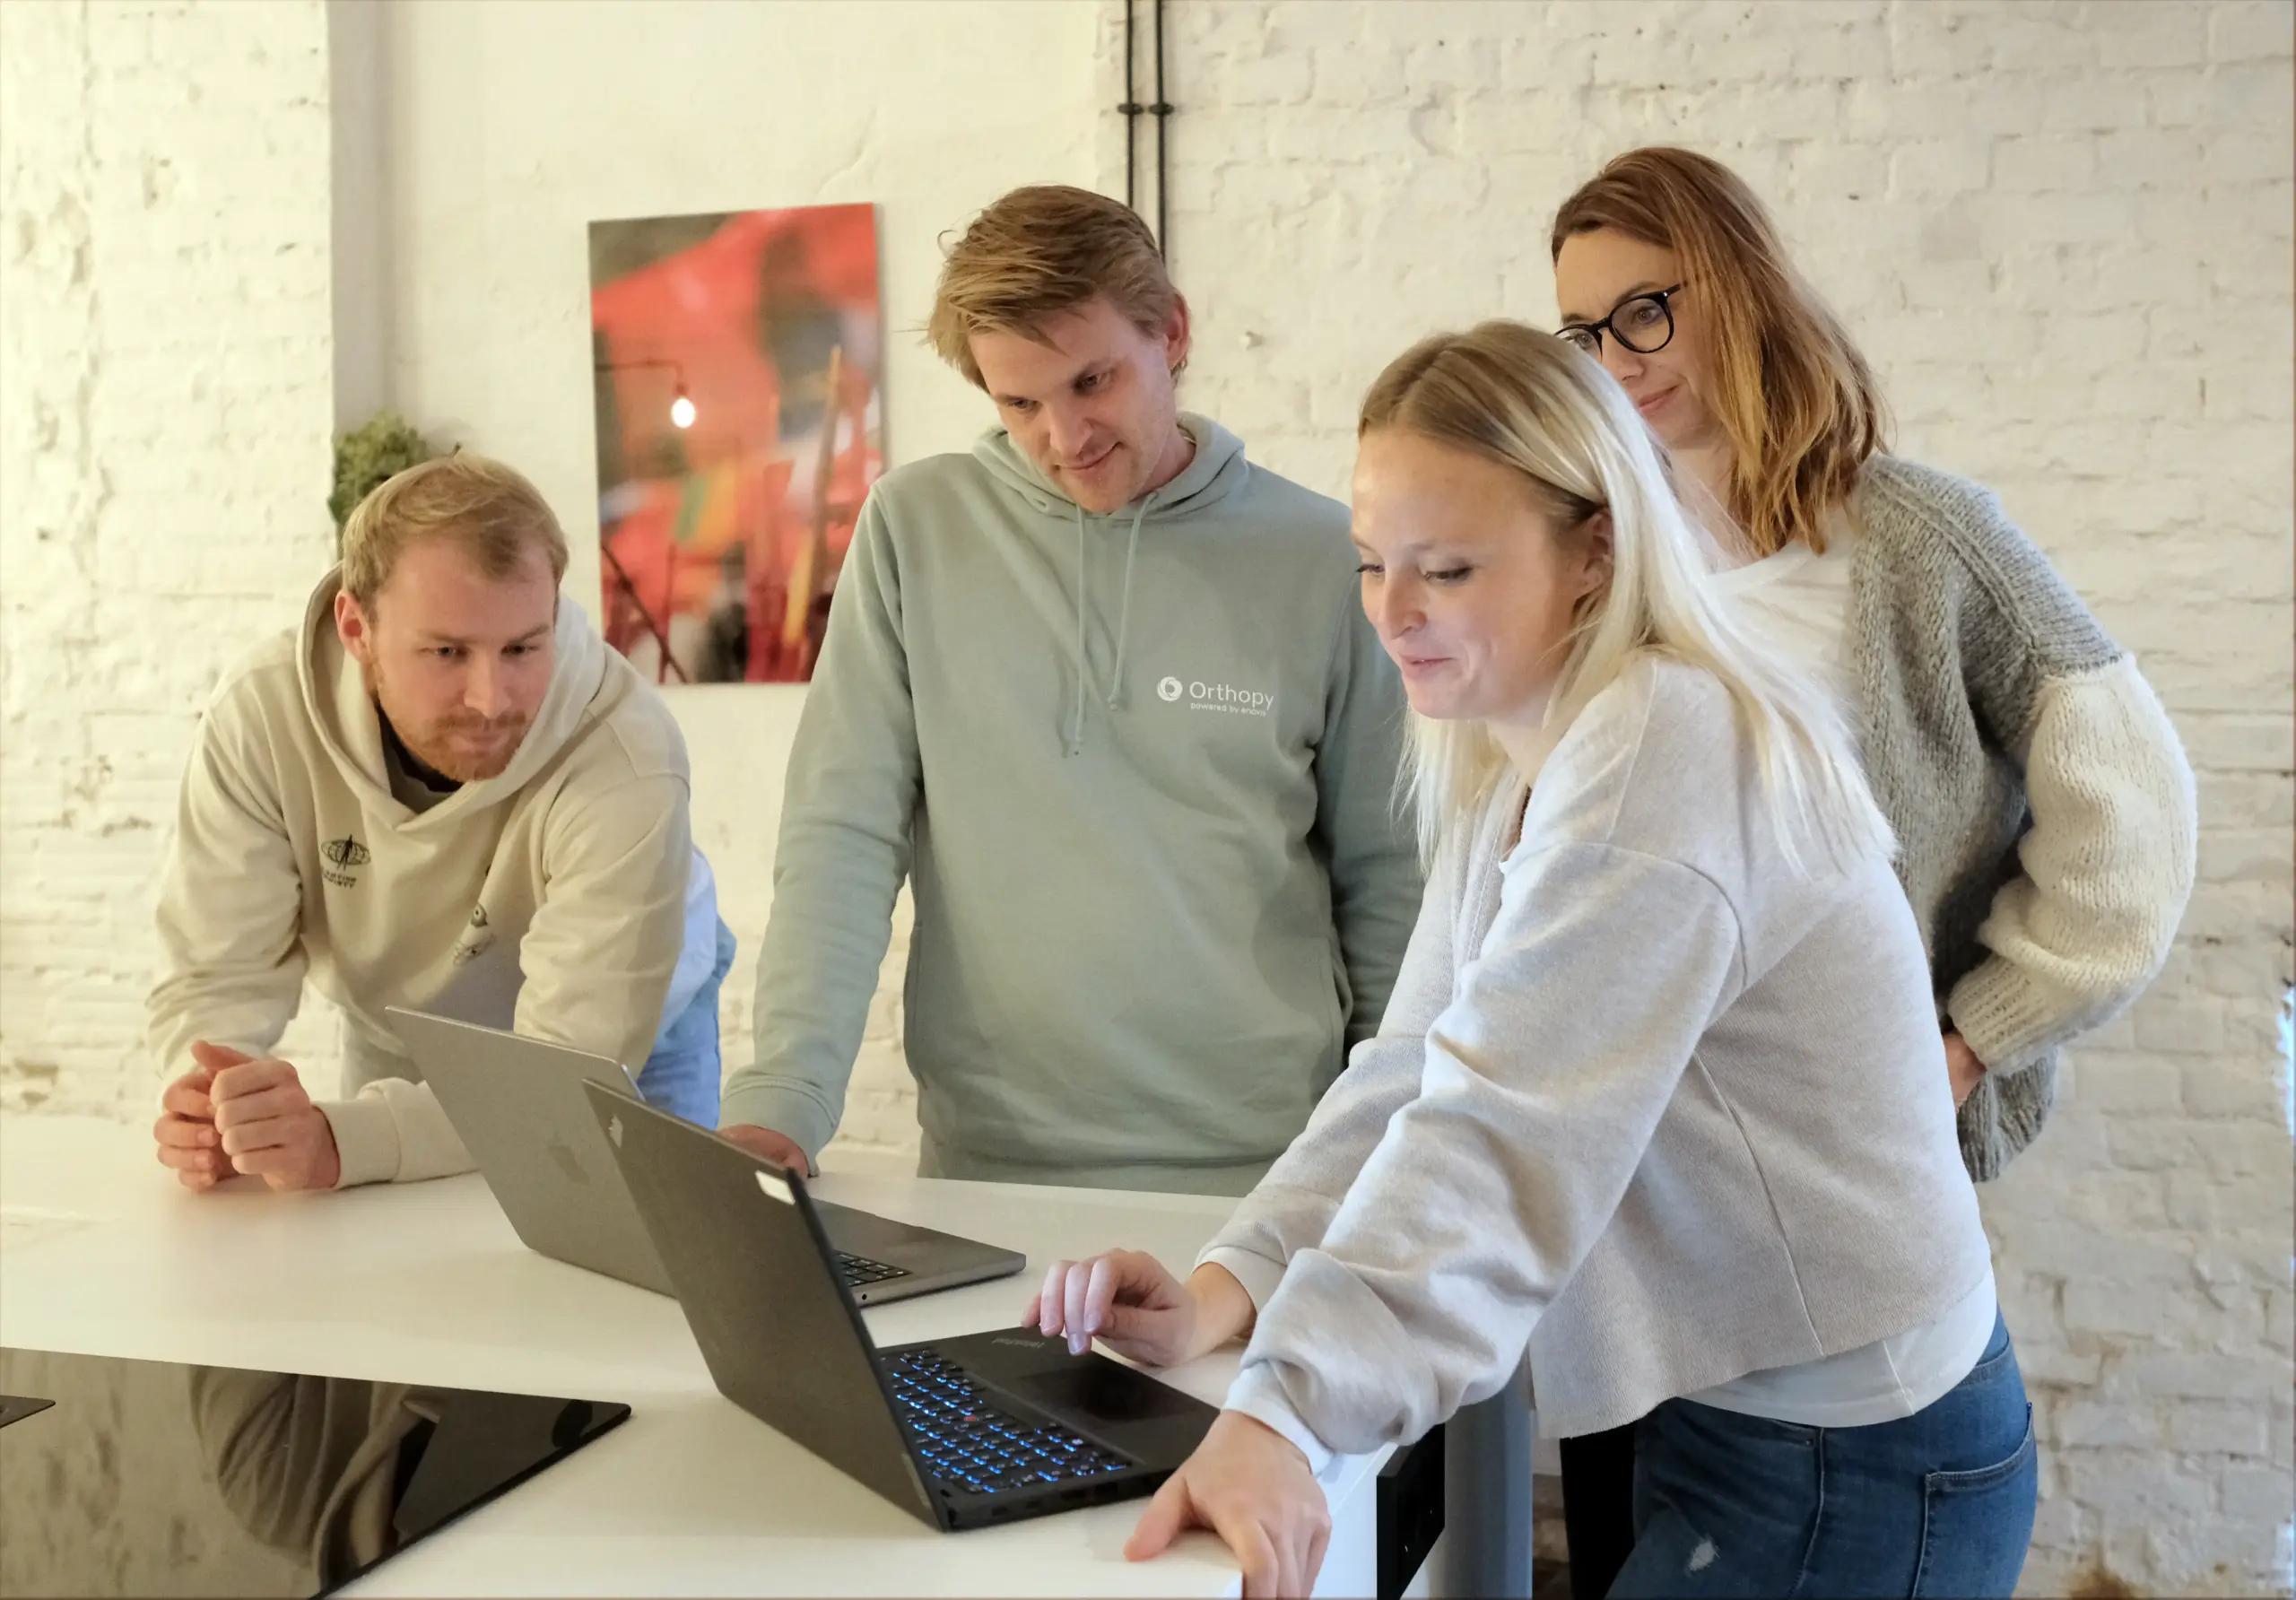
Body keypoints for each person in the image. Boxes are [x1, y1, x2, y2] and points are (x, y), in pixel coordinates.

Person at [1031, 324, 2040, 1598]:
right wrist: (1231, 1284)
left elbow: (1502, 1140)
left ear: (1594, 549)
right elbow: (1414, 1071)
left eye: (1445, 569)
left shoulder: (1663, 746)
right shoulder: (1524, 743)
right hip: (1744, 1409)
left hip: (1859, 1448)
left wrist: (1288, 1413)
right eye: (1371, 566)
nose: (1393, 615)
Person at [1544, 145, 2196, 1596]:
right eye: (1583, 333)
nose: (1614, 358)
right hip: (1631, 1198)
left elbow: (2131, 802)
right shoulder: (1606, 557)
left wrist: (1976, 1036)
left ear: (1734, 287)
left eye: (1641, 311)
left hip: (1840, 1207)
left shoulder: (1917, 535)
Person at [718, 186, 1420, 1196]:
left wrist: (1380, 1145)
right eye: (1020, 402)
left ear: (1170, 333)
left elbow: (1391, 879)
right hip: (985, 1172)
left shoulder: (1322, 558)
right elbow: (841, 832)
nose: (1065, 433)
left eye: (1094, 380)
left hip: (1268, 1179)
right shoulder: (917, 532)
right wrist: (783, 1093)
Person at [149, 452, 734, 1194]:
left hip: (625, 1047)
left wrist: (348, 1141)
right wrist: (212, 1099)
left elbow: (566, 1075)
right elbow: (216, 965)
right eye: (447, 652)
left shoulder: (627, 752)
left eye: (523, 648)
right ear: (356, 627)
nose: (491, 699)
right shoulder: (262, 716)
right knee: (402, 1281)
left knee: (628, 1291)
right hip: (402, 1024)